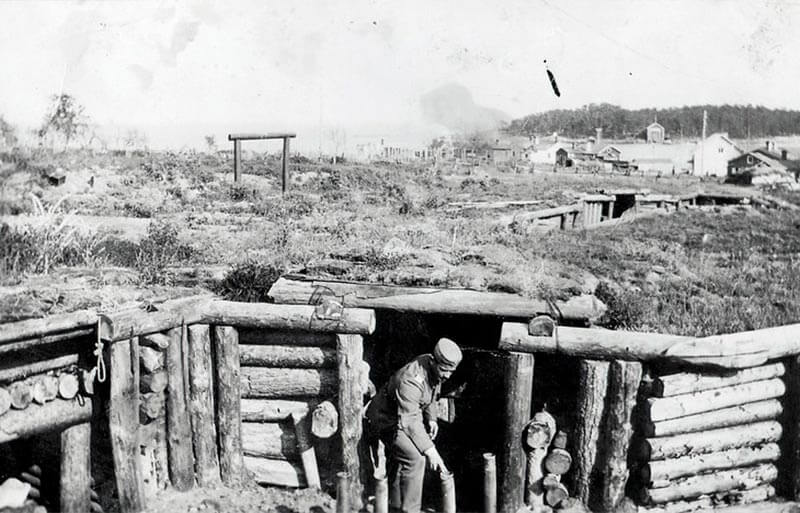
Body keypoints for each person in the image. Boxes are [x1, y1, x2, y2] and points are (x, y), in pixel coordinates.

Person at [365, 338, 463, 513]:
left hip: (404, 415)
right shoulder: (410, 379)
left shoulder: (432, 367)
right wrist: (430, 451)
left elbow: (431, 391)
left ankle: (395, 506)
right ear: (434, 362)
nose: (447, 376)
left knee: (400, 459)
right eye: (444, 370)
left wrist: (432, 419)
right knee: (415, 458)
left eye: (451, 372)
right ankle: (411, 510)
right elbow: (410, 421)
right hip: (386, 419)